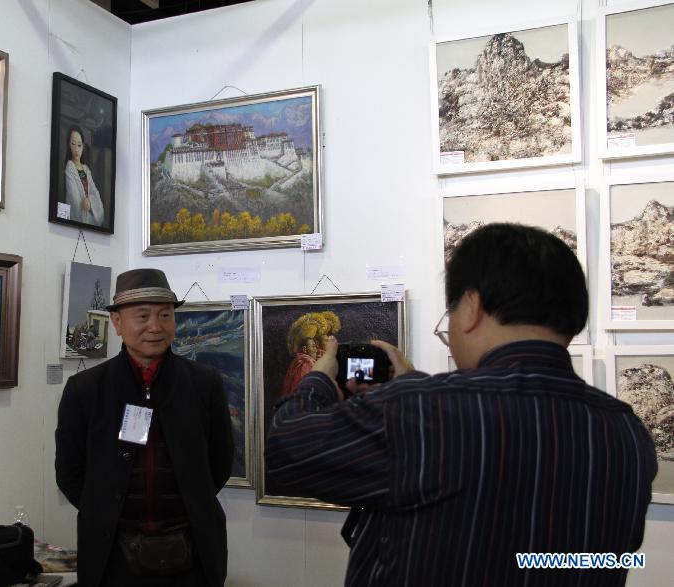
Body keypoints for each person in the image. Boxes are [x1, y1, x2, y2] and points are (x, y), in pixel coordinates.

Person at [266, 223, 657, 586]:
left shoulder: (425, 410)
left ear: (471, 306)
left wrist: (318, 378)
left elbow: (285, 449)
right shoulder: (627, 432)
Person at [56, 268, 233, 587]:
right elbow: (69, 472)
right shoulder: (85, 389)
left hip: (191, 553)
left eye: (165, 315)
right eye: (143, 316)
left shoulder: (204, 383)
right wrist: (106, 509)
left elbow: (219, 464)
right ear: (117, 323)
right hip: (113, 556)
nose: (156, 327)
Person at [64, 125, 105, 226]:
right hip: (78, 217)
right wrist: (85, 204)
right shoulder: (70, 168)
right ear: (69, 145)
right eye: (73, 144)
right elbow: (74, 199)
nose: (76, 149)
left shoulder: (86, 169)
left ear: (83, 146)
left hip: (90, 214)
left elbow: (95, 193)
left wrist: (90, 202)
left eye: (79, 145)